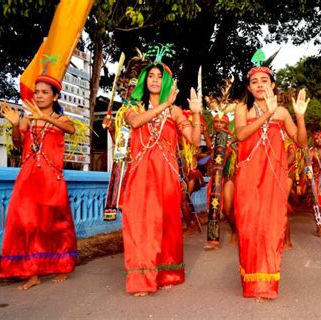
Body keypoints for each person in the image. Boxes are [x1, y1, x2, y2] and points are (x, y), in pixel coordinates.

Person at [122, 50, 202, 297]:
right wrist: (164, 105)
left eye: (159, 76)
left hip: (165, 174)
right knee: (138, 224)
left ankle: (167, 272)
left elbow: (194, 140)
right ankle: (142, 278)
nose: (155, 80)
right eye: (151, 76)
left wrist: (197, 113)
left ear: (166, 82)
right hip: (139, 173)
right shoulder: (132, 106)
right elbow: (135, 123)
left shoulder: (176, 112)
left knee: (166, 224)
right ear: (145, 81)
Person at [234, 59, 308, 300]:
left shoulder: (283, 112)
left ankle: (266, 284)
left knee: (271, 226)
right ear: (248, 88)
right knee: (248, 226)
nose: (259, 85)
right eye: (254, 82)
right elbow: (242, 135)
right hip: (247, 176)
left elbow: (301, 142)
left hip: (273, 177)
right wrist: (266, 113)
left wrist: (300, 117)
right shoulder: (242, 110)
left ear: (273, 85)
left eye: (264, 80)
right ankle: (251, 281)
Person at [0, 74, 78, 290]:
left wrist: (41, 117)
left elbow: (70, 130)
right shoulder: (26, 119)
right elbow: (17, 143)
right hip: (28, 175)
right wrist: (16, 125)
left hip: (52, 177)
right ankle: (32, 272)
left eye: (45, 92)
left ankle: (62, 264)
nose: (40, 96)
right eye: (37, 92)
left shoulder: (62, 119)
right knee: (26, 221)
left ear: (55, 96)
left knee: (56, 221)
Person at [204, 113, 238, 250]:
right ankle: (214, 239)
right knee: (218, 207)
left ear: (226, 124)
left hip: (229, 174)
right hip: (218, 175)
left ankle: (236, 231)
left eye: (222, 122)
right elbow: (210, 147)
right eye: (216, 122)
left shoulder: (230, 138)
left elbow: (228, 153)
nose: (218, 124)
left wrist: (220, 163)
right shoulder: (215, 138)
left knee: (227, 208)